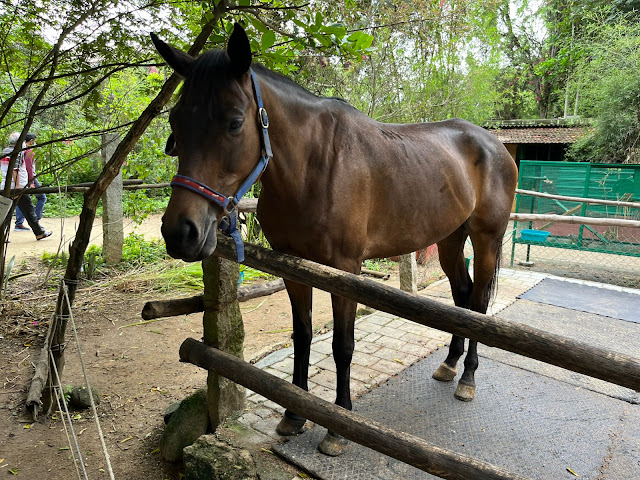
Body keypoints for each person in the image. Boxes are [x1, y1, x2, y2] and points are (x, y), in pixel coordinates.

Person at [1, 132, 51, 240]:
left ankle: (39, 232)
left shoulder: (5, 151)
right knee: (26, 211)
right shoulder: (17, 152)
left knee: (9, 212)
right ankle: (39, 232)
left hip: (7, 186)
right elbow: (15, 170)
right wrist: (18, 188)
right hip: (16, 187)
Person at [14, 132, 46, 230]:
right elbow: (29, 168)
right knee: (42, 197)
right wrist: (31, 181)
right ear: (31, 141)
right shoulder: (28, 151)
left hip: (22, 177)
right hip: (28, 178)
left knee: (21, 199)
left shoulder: (21, 150)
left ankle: (19, 223)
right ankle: (35, 220)